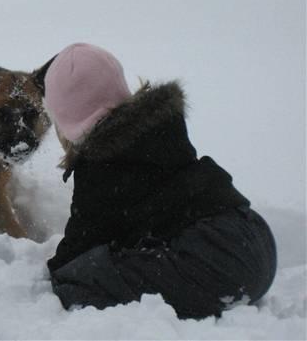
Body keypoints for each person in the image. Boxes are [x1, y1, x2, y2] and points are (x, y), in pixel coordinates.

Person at [43, 43, 277, 319]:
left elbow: (74, 253)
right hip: (255, 237)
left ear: (67, 119)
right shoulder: (159, 127)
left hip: (218, 266)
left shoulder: (101, 164)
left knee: (77, 279)